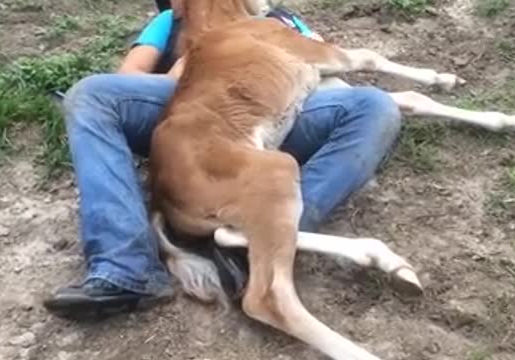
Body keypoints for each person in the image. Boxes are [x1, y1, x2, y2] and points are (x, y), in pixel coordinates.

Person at [43, 0, 402, 319]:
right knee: (94, 93)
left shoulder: (281, 17)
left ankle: (270, 235)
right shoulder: (172, 20)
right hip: (196, 105)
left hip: (279, 101)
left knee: (376, 105)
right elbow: (126, 80)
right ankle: (125, 267)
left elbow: (328, 62)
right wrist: (191, 61)